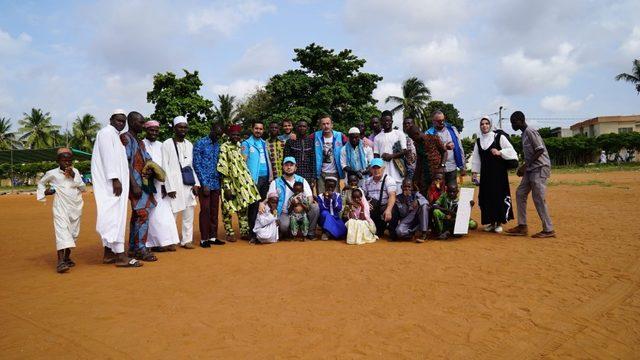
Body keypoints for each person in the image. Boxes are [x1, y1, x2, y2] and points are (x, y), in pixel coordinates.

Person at [91, 109, 141, 267]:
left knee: (112, 217)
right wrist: (115, 179)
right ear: (111, 119)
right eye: (118, 120)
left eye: (123, 121)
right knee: (115, 218)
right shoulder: (106, 133)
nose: (121, 123)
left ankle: (108, 254)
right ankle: (120, 255)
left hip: (115, 184)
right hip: (111, 185)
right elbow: (108, 158)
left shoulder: (115, 136)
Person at [506, 111, 556, 238]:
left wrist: (524, 166)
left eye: (513, 122)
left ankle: (548, 229)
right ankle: (522, 226)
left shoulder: (530, 131)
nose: (512, 125)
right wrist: (525, 167)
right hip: (531, 169)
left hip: (540, 167)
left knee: (538, 197)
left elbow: (540, 150)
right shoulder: (524, 134)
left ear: (520, 120)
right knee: (520, 193)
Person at [37, 148, 86, 273]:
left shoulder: (75, 171)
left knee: (73, 234)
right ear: (58, 161)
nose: (67, 163)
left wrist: (74, 176)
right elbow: (41, 183)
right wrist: (45, 192)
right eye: (64, 160)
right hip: (61, 207)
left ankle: (67, 257)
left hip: (76, 207)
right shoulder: (52, 173)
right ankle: (60, 263)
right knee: (62, 232)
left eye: (69, 160)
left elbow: (83, 188)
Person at [470, 117, 518, 233]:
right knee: (487, 198)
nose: (484, 126)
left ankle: (499, 223)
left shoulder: (498, 137)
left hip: (499, 174)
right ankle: (491, 223)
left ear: (490, 125)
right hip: (486, 175)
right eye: (482, 124)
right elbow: (476, 158)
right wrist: (474, 173)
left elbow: (511, 150)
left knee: (498, 197)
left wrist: (500, 152)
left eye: (487, 123)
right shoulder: (478, 141)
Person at [122, 111, 157, 261]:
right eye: (140, 123)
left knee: (137, 216)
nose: (143, 125)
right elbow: (125, 162)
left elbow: (147, 159)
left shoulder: (140, 141)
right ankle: (141, 249)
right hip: (135, 184)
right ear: (131, 122)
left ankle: (133, 247)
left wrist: (152, 170)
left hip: (144, 184)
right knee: (142, 215)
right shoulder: (126, 138)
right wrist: (134, 184)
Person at [218, 124, 262, 242]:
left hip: (241, 183)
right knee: (227, 208)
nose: (236, 137)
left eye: (238, 135)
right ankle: (229, 232)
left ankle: (244, 232)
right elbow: (223, 167)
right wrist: (226, 187)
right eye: (234, 135)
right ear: (229, 135)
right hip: (229, 182)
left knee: (242, 207)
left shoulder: (239, 146)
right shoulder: (224, 147)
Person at [161, 116, 200, 249]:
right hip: (174, 185)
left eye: (185, 127)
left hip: (188, 184)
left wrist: (196, 183)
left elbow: (191, 165)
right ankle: (171, 241)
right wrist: (168, 187)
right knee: (172, 214)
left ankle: (186, 240)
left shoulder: (189, 144)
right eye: (180, 127)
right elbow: (164, 166)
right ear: (174, 128)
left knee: (189, 213)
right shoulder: (166, 144)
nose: (183, 129)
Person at [142, 120, 180, 252]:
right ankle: (153, 243)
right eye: (151, 130)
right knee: (152, 214)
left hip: (161, 185)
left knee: (165, 213)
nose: (154, 133)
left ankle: (167, 241)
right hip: (147, 184)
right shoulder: (141, 144)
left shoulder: (161, 145)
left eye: (156, 131)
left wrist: (165, 185)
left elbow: (165, 165)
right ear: (146, 130)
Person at [267, 157, 319, 240]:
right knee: (284, 226)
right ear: (283, 167)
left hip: (302, 210)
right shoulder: (276, 182)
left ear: (295, 167)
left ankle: (310, 232)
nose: (289, 167)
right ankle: (287, 231)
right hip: (285, 212)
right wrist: (263, 204)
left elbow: (310, 197)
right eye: (286, 165)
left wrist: (302, 207)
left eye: (291, 165)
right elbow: (269, 198)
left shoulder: (301, 180)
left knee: (315, 208)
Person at [193, 122, 225, 247]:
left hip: (216, 183)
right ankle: (204, 239)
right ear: (211, 129)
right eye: (216, 132)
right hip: (205, 184)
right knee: (205, 210)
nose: (218, 135)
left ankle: (213, 237)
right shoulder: (200, 143)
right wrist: (204, 183)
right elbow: (196, 164)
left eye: (220, 134)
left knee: (214, 210)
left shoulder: (218, 145)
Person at [242, 120, 273, 242]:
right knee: (253, 206)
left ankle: (262, 231)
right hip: (253, 180)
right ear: (252, 129)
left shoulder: (264, 143)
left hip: (266, 178)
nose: (258, 131)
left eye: (260, 129)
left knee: (263, 205)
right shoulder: (246, 144)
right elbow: (243, 163)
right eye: (256, 128)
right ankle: (252, 233)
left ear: (263, 130)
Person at [426, 110, 466, 187]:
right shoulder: (428, 133)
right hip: (437, 170)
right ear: (433, 121)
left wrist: (462, 166)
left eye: (443, 120)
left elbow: (459, 147)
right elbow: (429, 151)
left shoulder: (452, 129)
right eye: (439, 121)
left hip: (452, 167)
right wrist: (444, 147)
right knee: (438, 193)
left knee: (452, 191)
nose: (442, 122)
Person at [363, 158, 398, 237]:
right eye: (374, 168)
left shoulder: (389, 180)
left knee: (393, 209)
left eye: (378, 168)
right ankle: (375, 228)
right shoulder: (367, 182)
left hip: (384, 206)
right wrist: (365, 205)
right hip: (373, 208)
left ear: (383, 168)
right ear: (370, 169)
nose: (376, 170)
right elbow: (363, 196)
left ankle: (392, 230)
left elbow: (392, 196)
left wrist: (388, 210)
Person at [408, 125, 446, 197]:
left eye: (413, 137)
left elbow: (444, 152)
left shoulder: (434, 138)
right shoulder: (417, 144)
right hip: (425, 175)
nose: (413, 140)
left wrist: (442, 166)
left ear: (417, 133)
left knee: (438, 195)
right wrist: (415, 177)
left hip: (437, 174)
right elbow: (419, 161)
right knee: (424, 195)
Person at [313, 115, 347, 193]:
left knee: (335, 198)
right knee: (321, 197)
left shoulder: (340, 135)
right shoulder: (315, 135)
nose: (326, 126)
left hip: (335, 172)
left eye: (328, 123)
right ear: (320, 125)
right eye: (323, 124)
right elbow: (304, 139)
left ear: (332, 124)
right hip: (321, 173)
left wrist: (363, 142)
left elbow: (350, 144)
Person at [374, 110, 408, 187]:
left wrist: (391, 156)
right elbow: (376, 156)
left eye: (388, 121)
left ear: (392, 121)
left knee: (398, 196)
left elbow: (405, 151)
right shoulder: (377, 138)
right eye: (384, 121)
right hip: (383, 175)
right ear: (381, 121)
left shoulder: (399, 134)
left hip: (398, 173)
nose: (386, 123)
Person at [284, 119, 316, 187]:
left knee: (307, 195)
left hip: (308, 175)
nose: (302, 128)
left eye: (304, 126)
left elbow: (313, 160)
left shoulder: (311, 142)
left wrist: (313, 176)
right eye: (300, 126)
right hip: (293, 174)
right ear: (296, 127)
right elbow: (286, 160)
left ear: (307, 128)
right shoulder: (290, 142)